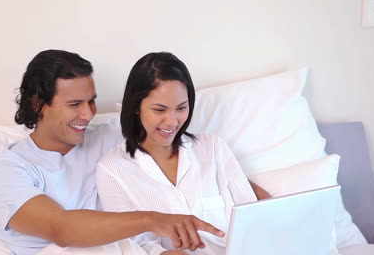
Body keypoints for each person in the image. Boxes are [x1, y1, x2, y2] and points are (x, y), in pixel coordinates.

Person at [0, 50, 225, 255]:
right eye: (75, 104)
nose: (88, 114)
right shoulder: (7, 171)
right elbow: (60, 229)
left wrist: (247, 197)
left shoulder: (111, 135)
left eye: (91, 101)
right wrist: (154, 220)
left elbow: (199, 163)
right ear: (38, 105)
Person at [96, 52, 261, 255]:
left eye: (181, 108)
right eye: (159, 110)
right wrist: (163, 253)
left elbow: (252, 216)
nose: (172, 121)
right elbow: (131, 242)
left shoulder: (213, 147)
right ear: (136, 107)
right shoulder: (112, 168)